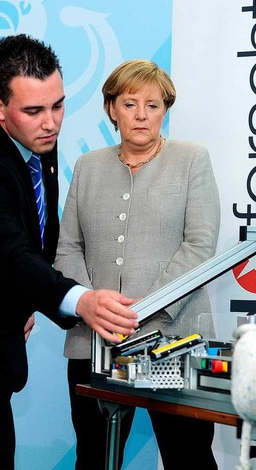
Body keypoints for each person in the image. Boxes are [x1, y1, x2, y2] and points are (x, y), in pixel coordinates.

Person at [55, 59, 221, 469]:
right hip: (94, 342)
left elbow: (200, 245)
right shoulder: (87, 166)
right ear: (111, 109)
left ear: (166, 109)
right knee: (93, 457)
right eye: (130, 104)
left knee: (189, 457)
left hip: (173, 342)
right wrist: (92, 306)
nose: (142, 115)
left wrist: (144, 308)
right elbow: (67, 248)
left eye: (153, 104)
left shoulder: (191, 159)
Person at [0, 35, 139, 470]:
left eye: (57, 105)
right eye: (34, 111)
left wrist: (24, 301)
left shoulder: (38, 144)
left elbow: (40, 239)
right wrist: (81, 300)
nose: (51, 123)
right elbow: (10, 251)